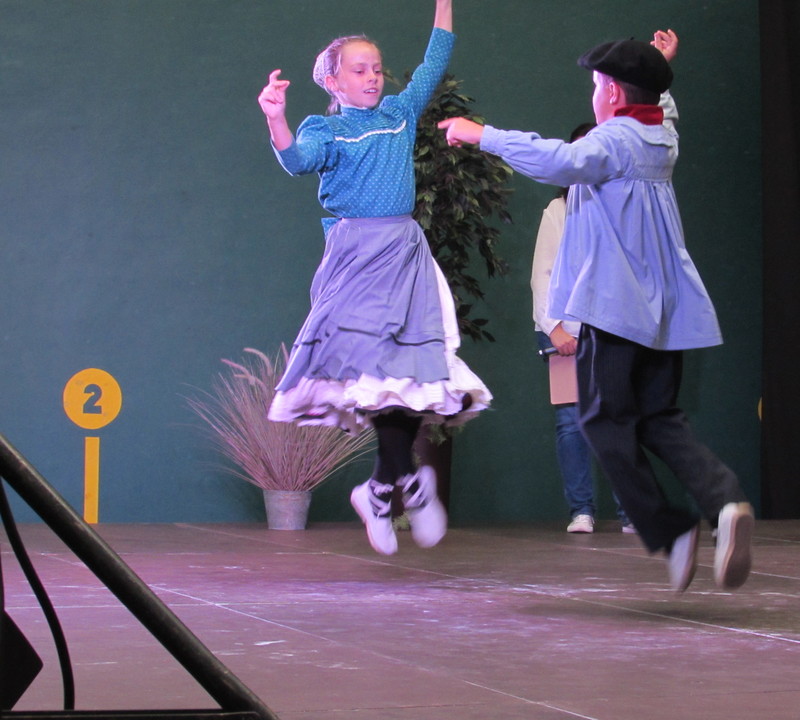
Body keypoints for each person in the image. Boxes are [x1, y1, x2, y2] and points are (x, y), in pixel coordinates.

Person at [439, 29, 754, 592]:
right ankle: (724, 501)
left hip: (616, 308)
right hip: (663, 313)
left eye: (595, 86)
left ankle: (671, 530)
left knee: (601, 419)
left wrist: (482, 135)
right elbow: (663, 109)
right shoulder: (661, 138)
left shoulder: (613, 142)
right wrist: (658, 67)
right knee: (659, 417)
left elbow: (560, 160)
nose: (594, 95)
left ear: (610, 92)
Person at [257, 0, 490, 557]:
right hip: (356, 257)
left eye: (377, 68)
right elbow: (297, 160)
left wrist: (444, 6)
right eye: (358, 69)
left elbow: (435, 59)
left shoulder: (400, 112)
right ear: (333, 81)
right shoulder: (327, 128)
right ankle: (401, 482)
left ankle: (384, 488)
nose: (371, 77)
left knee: (404, 376)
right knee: (375, 372)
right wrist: (275, 118)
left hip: (404, 253)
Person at [533, 122, 634, 535]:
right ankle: (581, 510)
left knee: (620, 420)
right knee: (572, 423)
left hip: (616, 332)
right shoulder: (558, 210)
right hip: (568, 334)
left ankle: (631, 512)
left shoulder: (627, 205)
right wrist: (555, 329)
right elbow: (543, 275)